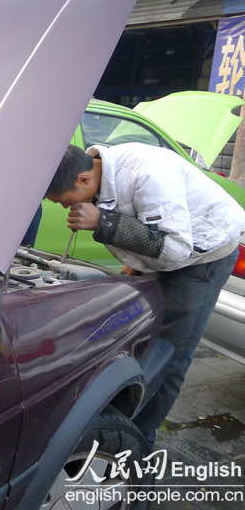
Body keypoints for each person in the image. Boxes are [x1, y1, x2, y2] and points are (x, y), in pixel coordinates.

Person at [45, 143, 245, 448]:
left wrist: (104, 223)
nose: (64, 208)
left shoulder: (148, 174)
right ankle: (122, 415)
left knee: (171, 353)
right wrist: (135, 263)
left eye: (63, 202)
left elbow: (176, 250)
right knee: (141, 331)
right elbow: (143, 217)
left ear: (83, 180)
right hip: (169, 247)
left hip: (203, 256)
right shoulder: (96, 168)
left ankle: (138, 442)